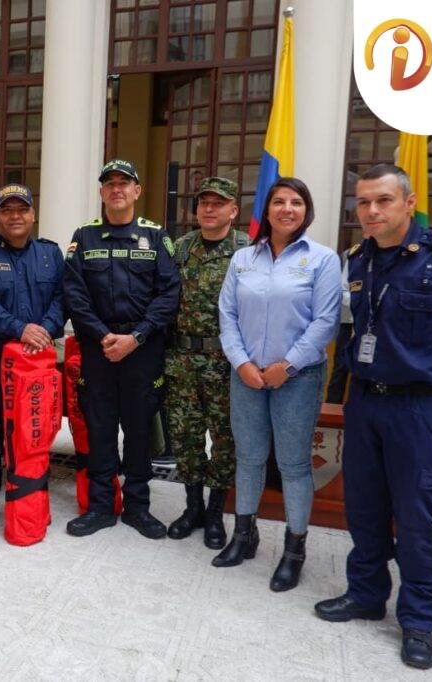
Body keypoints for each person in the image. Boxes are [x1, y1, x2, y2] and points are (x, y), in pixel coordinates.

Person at [314, 164, 432, 670]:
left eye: (382, 201)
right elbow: (357, 328)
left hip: (421, 407)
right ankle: (366, 593)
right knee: (365, 504)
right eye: (363, 204)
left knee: (419, 515)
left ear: (408, 201)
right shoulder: (359, 260)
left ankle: (419, 621)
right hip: (367, 402)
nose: (372, 212)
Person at [216, 177, 340, 592]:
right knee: (248, 458)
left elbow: (326, 321)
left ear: (307, 211)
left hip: (298, 377)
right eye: (279, 201)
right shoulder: (243, 260)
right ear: (266, 210)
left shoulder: (322, 260)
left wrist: (287, 365)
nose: (288, 209)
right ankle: (244, 535)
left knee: (292, 465)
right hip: (246, 374)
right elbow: (227, 314)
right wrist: (242, 362)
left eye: (297, 202)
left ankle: (294, 549)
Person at [63, 159, 181, 539]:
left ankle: (137, 507)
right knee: (99, 428)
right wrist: (102, 337)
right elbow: (74, 295)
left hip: (142, 350)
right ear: (101, 193)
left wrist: (137, 337)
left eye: (124, 183)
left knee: (139, 429)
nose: (117, 189)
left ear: (136, 191)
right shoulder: (84, 237)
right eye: (109, 184)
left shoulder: (156, 236)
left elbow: (169, 294)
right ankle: (100, 507)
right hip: (98, 350)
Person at [0, 184, 65, 530]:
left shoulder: (51, 254)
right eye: (7, 210)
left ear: (33, 214)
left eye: (21, 209)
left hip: (37, 361)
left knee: (34, 430)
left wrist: (43, 331)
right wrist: (19, 329)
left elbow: (62, 299)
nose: (15, 216)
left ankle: (29, 496)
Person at [165, 177, 249, 548]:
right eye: (204, 203)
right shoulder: (181, 248)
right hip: (182, 359)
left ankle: (216, 513)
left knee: (226, 440)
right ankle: (192, 508)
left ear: (234, 210)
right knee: (186, 438)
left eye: (219, 203)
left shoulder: (248, 250)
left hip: (227, 362)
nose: (210, 209)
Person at [325, 257, 353, 404]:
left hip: (377, 325)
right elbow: (343, 290)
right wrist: (363, 304)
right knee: (340, 368)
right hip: (349, 321)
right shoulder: (355, 255)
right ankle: (332, 406)